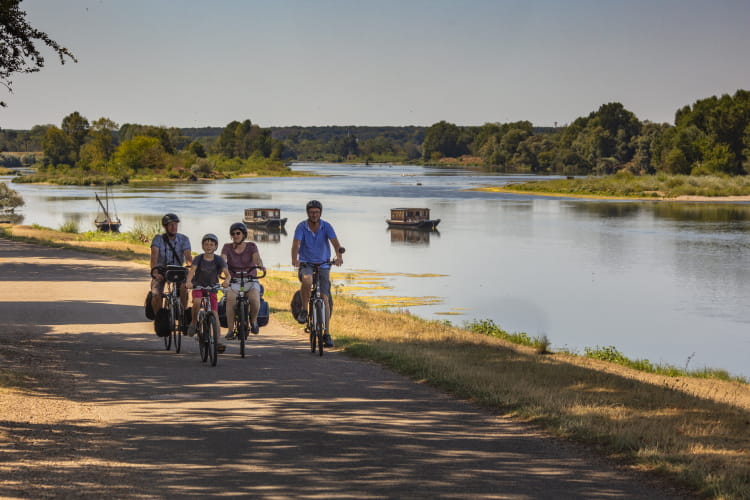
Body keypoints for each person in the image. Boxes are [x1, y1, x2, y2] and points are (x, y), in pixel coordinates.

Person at [291, 200, 343, 348]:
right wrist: (294, 259)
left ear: (320, 213)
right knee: (307, 280)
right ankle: (304, 310)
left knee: (325, 298)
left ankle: (326, 333)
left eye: (317, 212)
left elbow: (336, 244)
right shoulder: (301, 227)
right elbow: (296, 244)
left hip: (324, 265)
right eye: (312, 212)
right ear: (308, 213)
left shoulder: (326, 226)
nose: (314, 214)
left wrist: (339, 257)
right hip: (306, 263)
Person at [221, 222, 265, 339]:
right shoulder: (227, 247)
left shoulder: (251, 246)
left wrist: (260, 265)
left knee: (255, 299)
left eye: (238, 233)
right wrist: (221, 266)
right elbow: (223, 259)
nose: (235, 235)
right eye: (233, 234)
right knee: (230, 300)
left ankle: (254, 321)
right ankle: (230, 330)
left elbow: (256, 258)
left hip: (250, 279)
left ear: (244, 234)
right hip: (234, 280)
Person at [185, 233, 230, 337]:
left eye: (211, 244)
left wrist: (227, 281)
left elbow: (227, 274)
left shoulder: (219, 259)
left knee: (215, 314)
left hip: (212, 288)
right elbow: (192, 271)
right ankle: (193, 322)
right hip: (198, 286)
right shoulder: (199, 258)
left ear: (215, 246)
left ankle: (218, 341)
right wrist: (188, 282)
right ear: (202, 246)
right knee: (197, 301)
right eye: (206, 244)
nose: (208, 247)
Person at [149, 213, 192, 315]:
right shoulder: (158, 239)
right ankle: (159, 317)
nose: (174, 227)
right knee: (155, 294)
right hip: (161, 269)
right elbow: (154, 257)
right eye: (171, 225)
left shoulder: (184, 239)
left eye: (176, 224)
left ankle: (182, 313)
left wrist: (191, 270)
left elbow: (188, 257)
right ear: (165, 226)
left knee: (184, 288)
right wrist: (155, 273)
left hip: (177, 270)